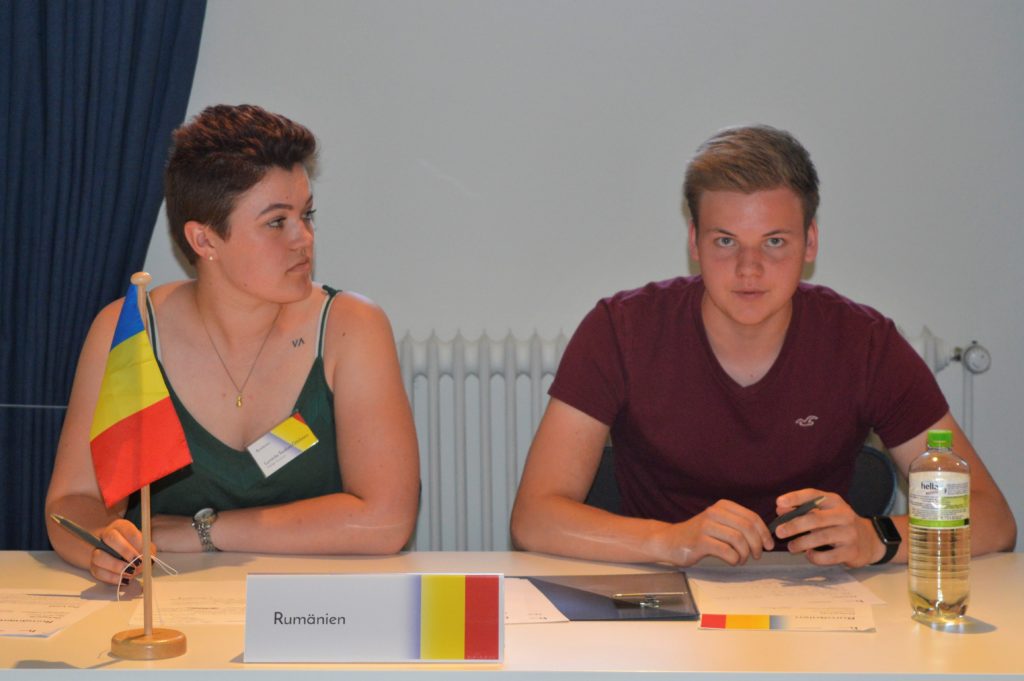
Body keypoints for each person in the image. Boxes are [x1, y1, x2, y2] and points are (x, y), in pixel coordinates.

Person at [510, 124, 1016, 568]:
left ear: (810, 242)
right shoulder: (620, 331)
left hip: (819, 600)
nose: (748, 270)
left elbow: (992, 519)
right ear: (694, 241)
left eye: (774, 242)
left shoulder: (865, 344)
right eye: (725, 241)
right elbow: (534, 517)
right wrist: (670, 541)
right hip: (664, 590)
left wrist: (876, 537)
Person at [46, 105, 420, 585]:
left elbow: (386, 520)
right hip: (169, 600)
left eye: (307, 215)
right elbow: (71, 503)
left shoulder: (352, 327)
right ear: (204, 240)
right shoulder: (129, 330)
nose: (303, 238)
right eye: (276, 222)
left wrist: (203, 532)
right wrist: (105, 544)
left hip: (318, 608)